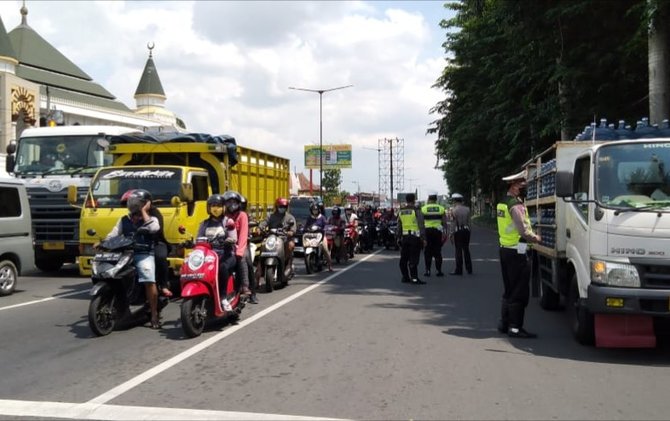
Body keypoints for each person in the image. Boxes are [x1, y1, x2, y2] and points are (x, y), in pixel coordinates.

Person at [105, 189, 162, 329]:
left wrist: (144, 211)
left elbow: (154, 228)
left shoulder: (151, 219)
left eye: (138, 203)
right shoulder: (124, 220)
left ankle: (154, 314)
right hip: (124, 254)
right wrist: (103, 242)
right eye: (132, 202)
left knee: (148, 277)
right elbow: (113, 234)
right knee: (110, 274)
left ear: (146, 204)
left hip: (143, 253)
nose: (134, 205)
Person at [496, 170, 542, 339]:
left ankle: (504, 323)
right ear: (513, 186)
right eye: (520, 186)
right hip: (518, 251)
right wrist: (535, 238)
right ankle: (515, 328)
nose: (522, 189)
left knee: (509, 288)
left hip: (505, 249)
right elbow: (523, 230)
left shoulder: (502, 203)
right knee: (519, 291)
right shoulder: (515, 206)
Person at [197, 194, 238, 308]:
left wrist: (229, 240)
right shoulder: (204, 224)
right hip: (209, 256)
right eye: (213, 205)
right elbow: (198, 238)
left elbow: (234, 237)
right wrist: (189, 242)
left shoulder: (228, 222)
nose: (216, 208)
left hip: (226, 254)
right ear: (208, 208)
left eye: (219, 205)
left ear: (224, 207)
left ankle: (223, 297)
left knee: (223, 268)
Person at [222, 191, 251, 297]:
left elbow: (243, 234)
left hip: (239, 245)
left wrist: (239, 250)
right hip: (224, 245)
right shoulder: (223, 216)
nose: (231, 205)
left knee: (242, 257)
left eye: (234, 202)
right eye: (229, 202)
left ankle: (245, 285)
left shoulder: (242, 215)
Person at [262, 197, 297, 278]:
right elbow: (264, 222)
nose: (282, 208)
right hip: (272, 239)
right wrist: (260, 228)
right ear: (276, 206)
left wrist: (290, 232)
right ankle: (258, 275)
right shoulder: (271, 216)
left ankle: (286, 262)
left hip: (284, 239)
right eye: (280, 206)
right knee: (263, 246)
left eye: (284, 207)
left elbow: (293, 229)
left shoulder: (290, 217)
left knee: (291, 245)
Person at [397, 193, 426, 284]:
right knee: (413, 259)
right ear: (414, 200)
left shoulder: (401, 211)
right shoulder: (416, 210)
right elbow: (421, 225)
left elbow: (399, 225)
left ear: (406, 200)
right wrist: (424, 238)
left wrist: (398, 237)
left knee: (404, 259)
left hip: (405, 238)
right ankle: (414, 279)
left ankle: (405, 277)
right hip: (414, 238)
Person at [421, 194, 448, 277]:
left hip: (427, 231)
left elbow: (421, 223)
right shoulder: (441, 208)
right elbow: (444, 222)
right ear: (436, 200)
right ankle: (439, 271)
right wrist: (445, 233)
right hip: (437, 231)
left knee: (427, 252)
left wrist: (422, 235)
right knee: (437, 252)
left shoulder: (423, 209)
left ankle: (428, 270)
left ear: (429, 199)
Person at [241, 195, 259, 304]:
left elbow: (253, 223)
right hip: (229, 245)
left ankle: (252, 293)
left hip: (243, 244)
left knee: (248, 263)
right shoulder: (227, 216)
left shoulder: (246, 215)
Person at [448, 193, 473, 275]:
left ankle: (459, 269)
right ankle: (469, 268)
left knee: (458, 250)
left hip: (458, 231)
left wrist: (451, 234)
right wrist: (469, 231)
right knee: (466, 249)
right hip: (466, 230)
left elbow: (453, 223)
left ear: (455, 201)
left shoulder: (454, 210)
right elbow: (469, 222)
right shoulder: (467, 209)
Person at [305, 202, 333, 271]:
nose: (315, 211)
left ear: (318, 210)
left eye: (316, 210)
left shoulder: (322, 217)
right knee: (306, 246)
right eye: (314, 210)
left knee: (325, 250)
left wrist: (322, 228)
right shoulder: (309, 218)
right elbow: (306, 226)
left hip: (321, 236)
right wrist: (305, 229)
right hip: (311, 236)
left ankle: (330, 265)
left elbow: (326, 225)